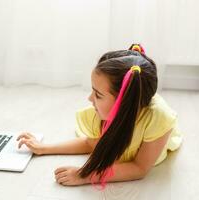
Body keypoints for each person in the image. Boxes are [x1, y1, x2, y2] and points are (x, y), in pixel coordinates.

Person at [17, 44, 183, 188]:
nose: (89, 99)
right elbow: (91, 143)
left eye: (97, 94)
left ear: (123, 102)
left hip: (154, 141)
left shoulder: (158, 119)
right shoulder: (102, 115)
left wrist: (85, 175)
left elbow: (139, 167)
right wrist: (44, 148)